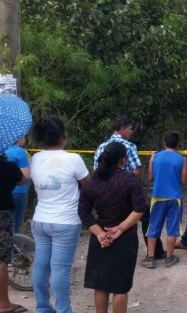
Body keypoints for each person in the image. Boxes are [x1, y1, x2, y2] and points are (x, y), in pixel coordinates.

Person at [30, 116, 90, 313]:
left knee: (40, 266)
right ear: (63, 137)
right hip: (66, 221)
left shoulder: (36, 158)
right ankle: (64, 310)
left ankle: (43, 308)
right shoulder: (73, 159)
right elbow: (89, 186)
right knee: (60, 269)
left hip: (40, 220)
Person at [79, 142, 147, 313]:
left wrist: (100, 233)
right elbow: (140, 208)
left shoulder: (92, 183)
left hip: (100, 239)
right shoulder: (131, 180)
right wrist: (120, 229)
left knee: (100, 285)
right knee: (120, 288)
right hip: (125, 238)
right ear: (123, 160)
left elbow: (83, 211)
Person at [94, 116, 166, 261]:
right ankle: (155, 252)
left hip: (104, 191)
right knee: (145, 217)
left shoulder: (101, 146)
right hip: (125, 191)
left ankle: (109, 252)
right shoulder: (129, 146)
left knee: (111, 221)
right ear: (121, 129)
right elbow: (136, 171)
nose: (131, 132)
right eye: (130, 129)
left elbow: (97, 171)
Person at [142, 131, 187, 268]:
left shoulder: (154, 157)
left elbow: (150, 177)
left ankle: (150, 258)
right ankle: (169, 257)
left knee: (153, 226)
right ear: (178, 144)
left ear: (164, 143)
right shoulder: (182, 159)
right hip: (174, 197)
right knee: (172, 228)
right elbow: (183, 180)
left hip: (157, 197)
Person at [0, 154, 28, 313]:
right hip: (3, 212)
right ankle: (3, 304)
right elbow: (21, 180)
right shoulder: (9, 166)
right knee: (1, 258)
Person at [5, 137, 30, 233]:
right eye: (24, 137)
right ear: (19, 138)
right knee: (15, 223)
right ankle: (13, 246)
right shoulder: (19, 152)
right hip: (17, 192)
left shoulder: (3, 150)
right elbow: (26, 175)